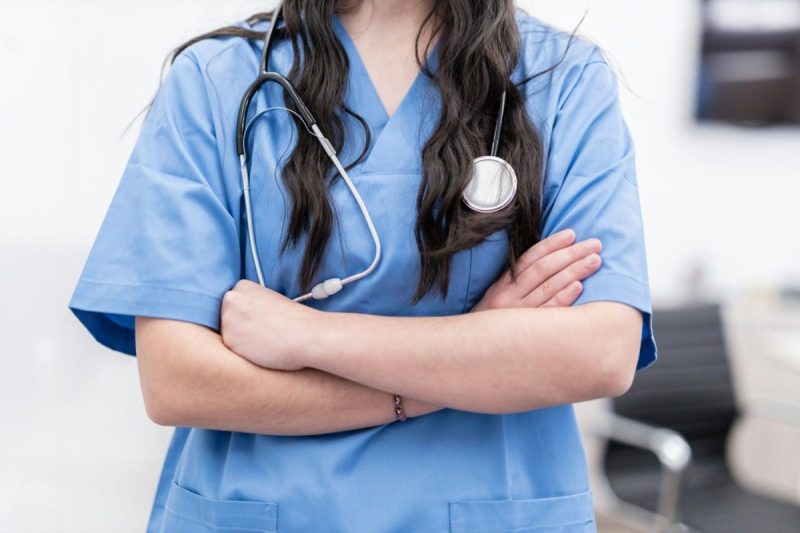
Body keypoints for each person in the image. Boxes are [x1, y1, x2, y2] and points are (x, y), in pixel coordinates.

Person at [69, 1, 657, 531]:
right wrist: (466, 360)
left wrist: (309, 335)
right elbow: (177, 381)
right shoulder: (215, 80)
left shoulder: (566, 82)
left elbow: (600, 353)